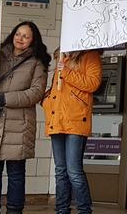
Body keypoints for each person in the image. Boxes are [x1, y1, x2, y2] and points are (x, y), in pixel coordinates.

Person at [0, 21, 49, 214]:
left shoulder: (37, 63)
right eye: (18, 34)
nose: (20, 38)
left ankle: (14, 210)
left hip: (19, 126)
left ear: (33, 40)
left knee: (16, 173)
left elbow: (36, 93)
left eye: (26, 36)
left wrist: (6, 98)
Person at [42, 49, 102, 214]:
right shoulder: (62, 56)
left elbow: (93, 83)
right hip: (57, 120)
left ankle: (84, 210)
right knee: (60, 170)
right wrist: (46, 101)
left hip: (76, 120)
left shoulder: (90, 56)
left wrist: (66, 72)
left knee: (73, 170)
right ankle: (62, 209)